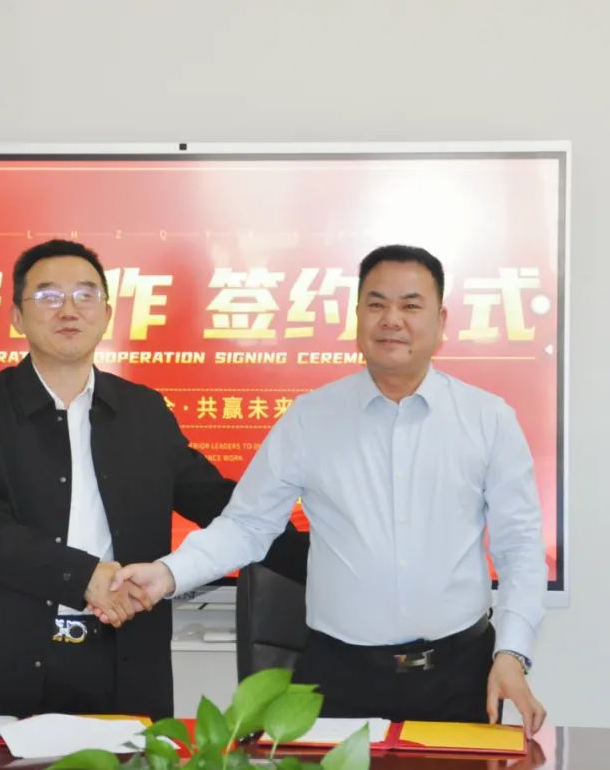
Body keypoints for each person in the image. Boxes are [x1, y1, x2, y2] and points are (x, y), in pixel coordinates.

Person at [110, 245, 548, 734]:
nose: (392, 320)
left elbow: (519, 548)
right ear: (357, 316)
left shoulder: (488, 420)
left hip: (459, 675)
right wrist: (168, 574)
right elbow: (247, 525)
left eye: (410, 305)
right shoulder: (310, 418)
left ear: (440, 321)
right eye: (376, 304)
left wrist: (512, 653)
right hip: (340, 676)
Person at [0, 239, 303, 720]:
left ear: (106, 314)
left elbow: (219, 502)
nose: (69, 309)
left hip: (121, 663)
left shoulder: (143, 410)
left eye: (86, 295)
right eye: (48, 295)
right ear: (17, 317)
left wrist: (328, 559)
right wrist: (84, 576)